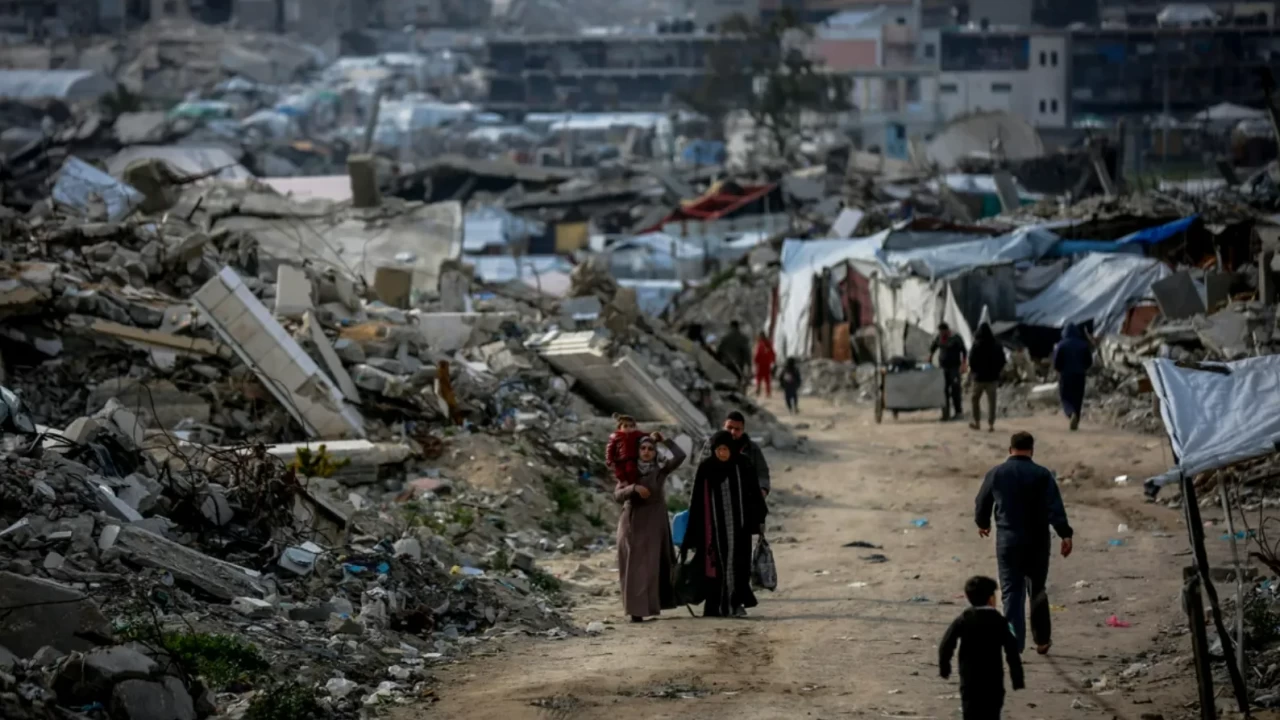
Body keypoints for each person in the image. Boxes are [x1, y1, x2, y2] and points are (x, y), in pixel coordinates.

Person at [975, 431, 1074, 654]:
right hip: (1037, 542)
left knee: (1011, 592)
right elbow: (1055, 508)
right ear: (1031, 450)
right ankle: (1041, 641)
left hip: (1008, 541)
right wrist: (1065, 534)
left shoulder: (997, 473)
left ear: (1010, 450)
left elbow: (982, 501)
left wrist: (983, 523)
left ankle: (1013, 643)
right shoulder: (1042, 475)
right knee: (1037, 590)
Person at [681, 430, 767, 618]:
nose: (722, 453)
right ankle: (714, 607)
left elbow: (754, 494)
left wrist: (759, 519)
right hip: (712, 531)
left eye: (725, 449)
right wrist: (692, 532)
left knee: (738, 567)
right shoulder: (706, 468)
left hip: (739, 530)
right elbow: (696, 502)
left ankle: (735, 604)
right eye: (719, 449)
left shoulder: (742, 464)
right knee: (713, 569)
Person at [615, 432, 686, 623]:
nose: (646, 452)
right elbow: (618, 494)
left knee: (652, 565)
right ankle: (635, 611)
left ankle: (650, 606)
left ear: (656, 452)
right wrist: (634, 488)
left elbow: (680, 456)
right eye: (643, 448)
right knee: (633, 567)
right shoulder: (628, 470)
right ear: (637, 451)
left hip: (654, 521)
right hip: (632, 521)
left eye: (650, 449)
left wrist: (665, 440)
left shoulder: (660, 469)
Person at [939, 576, 1025, 720]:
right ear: (991, 599)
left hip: (969, 679)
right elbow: (1012, 650)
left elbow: (947, 643)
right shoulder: (999, 621)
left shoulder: (965, 618)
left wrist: (944, 666)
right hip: (993, 680)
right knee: (992, 713)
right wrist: (1017, 677)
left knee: (970, 712)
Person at [698, 410, 771, 499]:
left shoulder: (751, 448)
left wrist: (762, 489)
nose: (733, 432)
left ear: (743, 430)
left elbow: (762, 472)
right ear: (724, 426)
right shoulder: (711, 445)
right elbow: (702, 473)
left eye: (737, 429)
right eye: (729, 427)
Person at [1052, 324, 1093, 431]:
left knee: (1066, 396)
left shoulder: (1061, 345)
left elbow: (1056, 362)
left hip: (1066, 375)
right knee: (1078, 397)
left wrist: (1059, 369)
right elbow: (1089, 361)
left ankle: (1071, 413)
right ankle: (1076, 417)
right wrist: (1083, 368)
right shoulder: (1083, 345)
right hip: (1080, 375)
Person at [968, 323, 1006, 432]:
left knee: (975, 399)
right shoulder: (997, 345)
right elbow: (1002, 360)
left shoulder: (976, 345)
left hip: (979, 378)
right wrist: (997, 371)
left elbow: (971, 360)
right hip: (992, 378)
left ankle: (977, 422)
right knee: (992, 402)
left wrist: (974, 372)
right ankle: (991, 424)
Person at [930, 322, 967, 421]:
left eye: (943, 331)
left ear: (946, 330)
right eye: (940, 332)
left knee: (955, 389)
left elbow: (964, 350)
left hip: (954, 368)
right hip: (943, 368)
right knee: (943, 391)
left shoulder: (955, 337)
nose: (941, 333)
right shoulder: (939, 337)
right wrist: (929, 357)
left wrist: (964, 363)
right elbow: (933, 347)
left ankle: (958, 412)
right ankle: (945, 414)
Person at [605, 414, 645, 486]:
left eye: (631, 426)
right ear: (620, 427)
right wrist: (609, 460)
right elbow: (610, 449)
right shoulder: (615, 436)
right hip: (619, 461)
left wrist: (654, 436)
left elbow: (646, 435)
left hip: (631, 459)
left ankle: (633, 485)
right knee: (619, 473)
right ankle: (623, 484)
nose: (628, 428)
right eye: (625, 426)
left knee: (631, 470)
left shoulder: (636, 434)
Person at [717, 321, 752, 387]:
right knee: (737, 381)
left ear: (731, 327)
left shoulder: (725, 338)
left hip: (727, 364)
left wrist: (719, 361)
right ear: (737, 327)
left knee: (727, 382)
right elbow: (747, 353)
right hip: (738, 365)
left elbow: (719, 351)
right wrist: (749, 366)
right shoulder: (743, 338)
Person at [753, 332, 776, 398]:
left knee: (759, 378)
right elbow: (773, 353)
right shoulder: (768, 344)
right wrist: (773, 360)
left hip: (761, 364)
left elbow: (758, 354)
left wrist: (755, 361)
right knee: (767, 379)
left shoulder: (760, 344)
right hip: (767, 364)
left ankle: (758, 390)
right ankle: (768, 392)